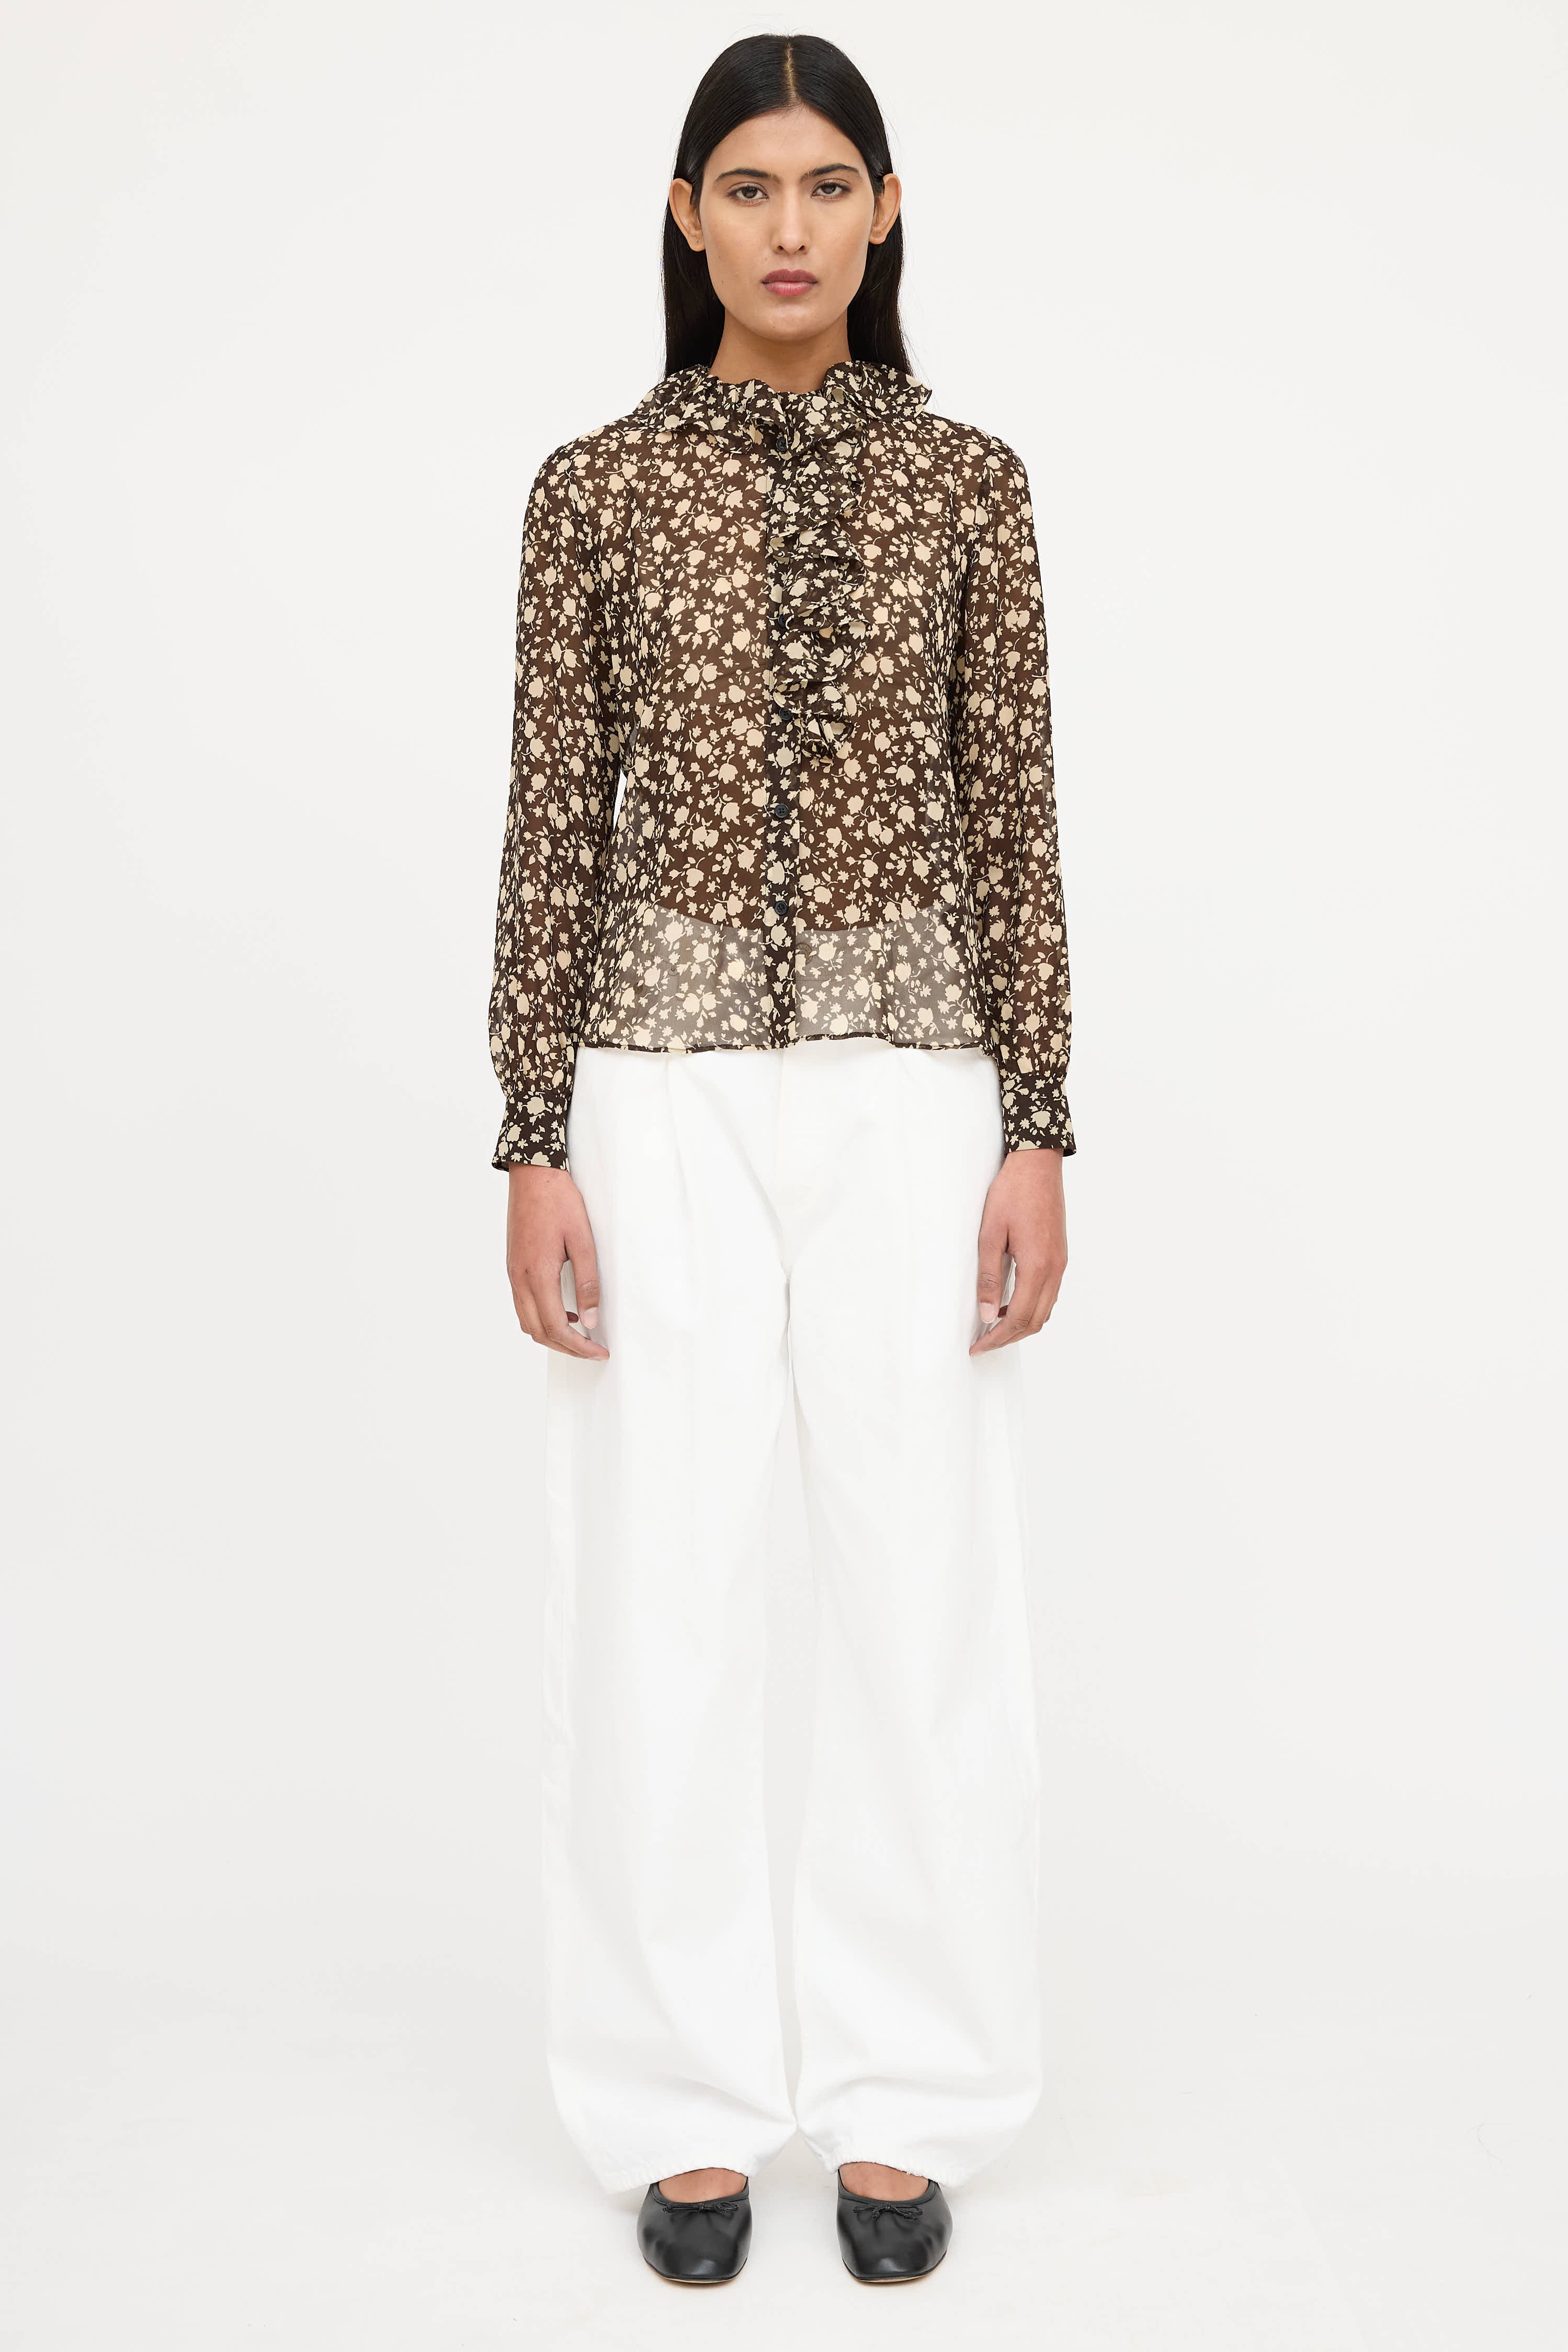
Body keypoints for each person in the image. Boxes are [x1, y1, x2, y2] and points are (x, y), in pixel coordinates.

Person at [488, 31, 1073, 2288]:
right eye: (749, 186)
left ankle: (912, 2092)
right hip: (659, 1080)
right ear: (688, 217)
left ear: (888, 211)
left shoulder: (971, 487)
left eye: (830, 184)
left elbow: (1015, 808)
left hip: (916, 1081)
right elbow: (552, 817)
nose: (792, 225)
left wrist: (1041, 1121)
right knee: (663, 1581)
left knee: (922, 1583)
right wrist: (533, 1133)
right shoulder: (596, 491)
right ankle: (685, 2100)